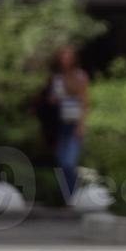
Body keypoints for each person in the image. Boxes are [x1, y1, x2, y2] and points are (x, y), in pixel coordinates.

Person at [43, 45, 90, 202]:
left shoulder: (80, 76)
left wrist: (81, 125)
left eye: (69, 56)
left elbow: (85, 102)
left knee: (70, 162)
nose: (66, 60)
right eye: (63, 56)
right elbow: (50, 100)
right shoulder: (55, 78)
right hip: (60, 124)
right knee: (62, 163)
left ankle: (76, 194)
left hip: (74, 123)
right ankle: (70, 197)